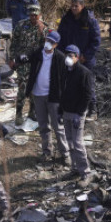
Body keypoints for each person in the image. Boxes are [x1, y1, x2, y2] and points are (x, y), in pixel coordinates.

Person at [50, 45, 96, 185]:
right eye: (67, 55)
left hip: (77, 113)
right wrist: (60, 111)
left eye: (71, 56)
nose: (68, 58)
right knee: (69, 142)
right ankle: (75, 169)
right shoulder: (66, 71)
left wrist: (80, 113)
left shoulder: (84, 73)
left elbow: (87, 95)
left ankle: (86, 173)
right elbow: (63, 92)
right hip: (66, 111)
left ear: (77, 57)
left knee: (77, 143)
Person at [25, 31, 69, 163]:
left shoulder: (60, 58)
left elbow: (65, 79)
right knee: (43, 126)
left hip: (53, 97)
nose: (48, 43)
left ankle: (65, 154)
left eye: (51, 42)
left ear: (56, 45)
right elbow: (26, 58)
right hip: (38, 94)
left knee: (58, 127)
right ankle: (47, 151)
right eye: (47, 40)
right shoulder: (38, 53)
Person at [9, 4, 49, 126]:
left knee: (34, 88)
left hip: (36, 63)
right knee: (22, 88)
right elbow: (13, 43)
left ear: (40, 15)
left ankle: (32, 111)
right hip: (22, 62)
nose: (33, 17)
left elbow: (46, 46)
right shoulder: (21, 25)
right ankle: (19, 114)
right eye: (31, 15)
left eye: (35, 15)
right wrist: (11, 59)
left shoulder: (44, 27)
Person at [57, 0, 102, 64]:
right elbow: (59, 36)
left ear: (82, 6)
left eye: (76, 6)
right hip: (68, 57)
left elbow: (96, 41)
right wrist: (62, 54)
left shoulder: (90, 21)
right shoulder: (66, 19)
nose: (73, 8)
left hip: (84, 60)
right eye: (72, 6)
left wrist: (86, 56)